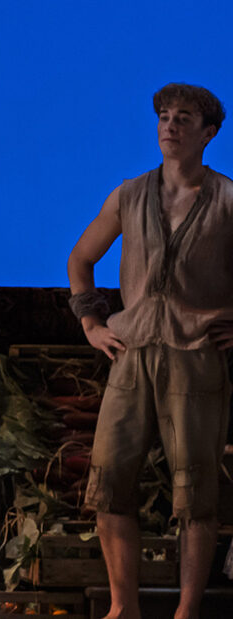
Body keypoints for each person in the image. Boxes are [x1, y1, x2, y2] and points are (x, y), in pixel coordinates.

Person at [67, 83, 232, 619]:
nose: (170, 125)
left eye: (184, 118)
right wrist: (91, 323)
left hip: (196, 355)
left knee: (195, 491)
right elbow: (81, 258)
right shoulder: (130, 194)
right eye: (164, 116)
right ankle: (123, 608)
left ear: (208, 132)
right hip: (132, 353)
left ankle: (187, 610)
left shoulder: (228, 200)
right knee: (110, 482)